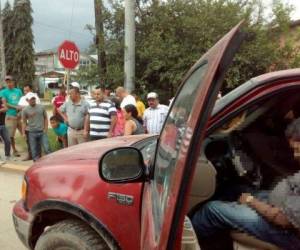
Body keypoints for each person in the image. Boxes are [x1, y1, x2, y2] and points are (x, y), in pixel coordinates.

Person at [191, 120, 300, 250]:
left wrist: (250, 201)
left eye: (298, 149)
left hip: (287, 233)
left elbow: (282, 220)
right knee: (234, 189)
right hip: (283, 204)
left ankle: (185, 243)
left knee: (212, 209)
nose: (295, 155)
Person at [58, 82, 89, 146]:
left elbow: (87, 116)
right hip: (71, 131)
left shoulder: (85, 104)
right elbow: (59, 110)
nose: (69, 95)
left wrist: (86, 130)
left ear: (77, 94)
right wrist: (65, 118)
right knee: (72, 151)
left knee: (83, 150)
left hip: (81, 131)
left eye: (71, 94)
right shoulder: (68, 102)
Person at [22, 93, 51, 161]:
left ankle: (51, 161)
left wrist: (46, 128)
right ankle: (37, 164)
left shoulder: (41, 107)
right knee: (34, 150)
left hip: (42, 131)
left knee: (47, 148)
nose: (33, 100)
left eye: (34, 99)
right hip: (31, 132)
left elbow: (45, 118)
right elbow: (24, 122)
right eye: (31, 99)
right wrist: (23, 133)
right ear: (27, 100)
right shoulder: (25, 110)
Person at [1, 75, 23, 157]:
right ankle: (14, 150)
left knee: (26, 133)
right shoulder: (3, 92)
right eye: (7, 82)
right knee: (11, 135)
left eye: (10, 81)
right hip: (10, 116)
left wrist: (20, 110)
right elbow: (5, 103)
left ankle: (30, 149)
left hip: (19, 116)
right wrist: (16, 107)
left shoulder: (18, 91)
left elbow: (22, 100)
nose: (9, 83)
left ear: (13, 82)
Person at [18, 84, 40, 161]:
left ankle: (38, 156)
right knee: (28, 140)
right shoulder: (22, 98)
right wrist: (29, 107)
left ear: (31, 90)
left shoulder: (35, 97)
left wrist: (25, 108)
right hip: (25, 123)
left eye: (27, 90)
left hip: (34, 123)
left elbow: (37, 108)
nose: (26, 92)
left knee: (36, 141)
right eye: (24, 90)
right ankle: (30, 155)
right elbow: (19, 107)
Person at [0, 94, 11, 163]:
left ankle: (7, 155)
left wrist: (2, 109)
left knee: (7, 141)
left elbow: (6, 109)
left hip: (3, 125)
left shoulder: (2, 100)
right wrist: (2, 109)